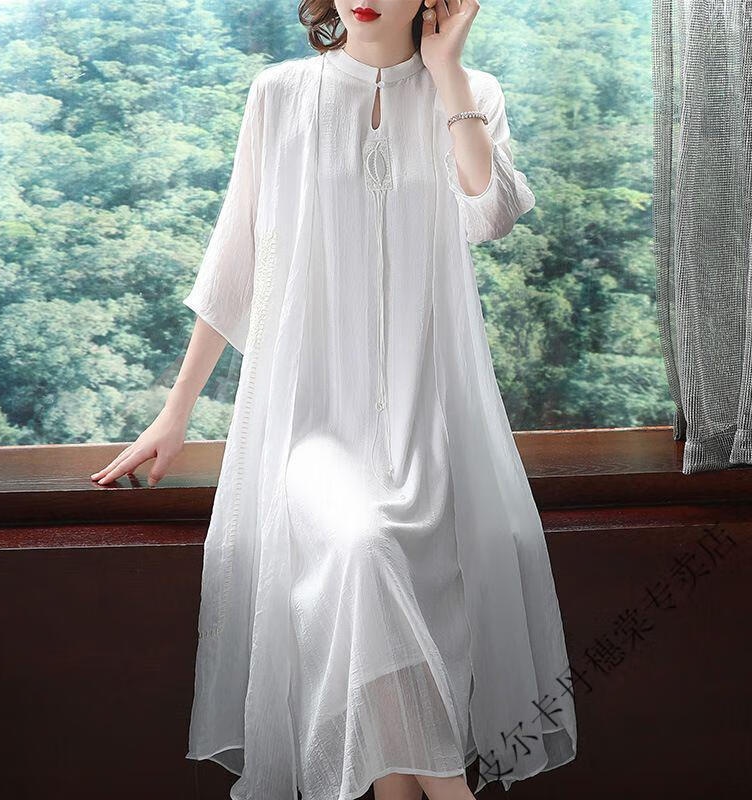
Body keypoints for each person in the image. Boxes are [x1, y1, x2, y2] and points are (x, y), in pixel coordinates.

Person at [90, 2, 577, 799]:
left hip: (431, 423)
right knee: (360, 547)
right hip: (314, 421)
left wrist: (447, 71)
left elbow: (488, 212)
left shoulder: (473, 92)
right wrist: (176, 411)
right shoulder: (280, 94)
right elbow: (236, 256)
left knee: (376, 667)